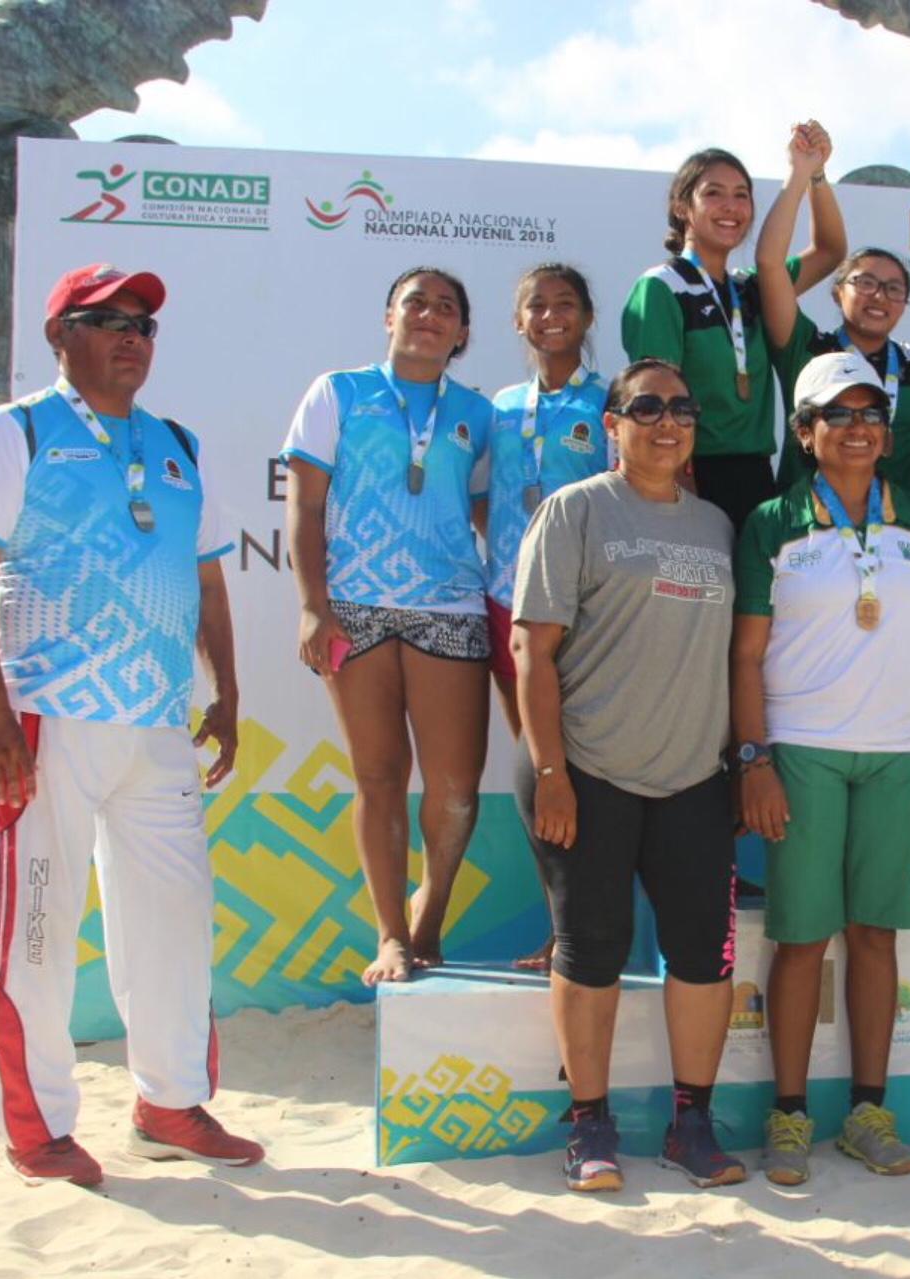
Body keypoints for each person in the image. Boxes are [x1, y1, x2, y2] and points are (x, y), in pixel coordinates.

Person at [0, 262, 261, 1187]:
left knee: (175, 921)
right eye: (108, 319)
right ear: (59, 335)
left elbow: (205, 579)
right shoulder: (15, 431)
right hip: (47, 716)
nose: (132, 336)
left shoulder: (175, 442)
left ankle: (168, 1103)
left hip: (157, 724)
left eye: (145, 325)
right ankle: (35, 1125)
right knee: (37, 932)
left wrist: (226, 693)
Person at [732, 352, 910, 1185]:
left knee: (874, 936)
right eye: (839, 414)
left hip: (901, 757)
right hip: (801, 753)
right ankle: (790, 1116)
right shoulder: (772, 521)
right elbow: (746, 654)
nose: (861, 427)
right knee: (800, 940)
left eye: (873, 413)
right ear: (805, 433)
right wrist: (754, 760)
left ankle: (869, 1111)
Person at [512, 358, 744, 1193]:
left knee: (703, 960)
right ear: (611, 424)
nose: (667, 420)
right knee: (592, 949)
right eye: (645, 406)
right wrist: (551, 772)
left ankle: (692, 1124)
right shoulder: (574, 512)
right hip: (589, 772)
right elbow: (530, 649)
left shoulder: (718, 525)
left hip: (692, 780)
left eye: (682, 407)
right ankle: (590, 1126)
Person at [281, 266, 494, 985]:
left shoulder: (479, 413)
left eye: (446, 308)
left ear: (463, 332)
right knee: (377, 777)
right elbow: (305, 509)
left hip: (451, 606)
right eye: (415, 302)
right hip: (355, 607)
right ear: (388, 316)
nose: (429, 315)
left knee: (456, 791)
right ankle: (392, 937)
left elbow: (492, 515)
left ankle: (428, 919)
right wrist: (315, 603)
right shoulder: (336, 393)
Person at [487, 264, 611, 975]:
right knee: (543, 773)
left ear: (588, 317)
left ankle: (591, 932)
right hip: (509, 604)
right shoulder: (499, 407)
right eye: (537, 304)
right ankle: (559, 931)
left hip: (586, 614)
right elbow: (485, 501)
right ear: (518, 320)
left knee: (591, 777)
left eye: (566, 304)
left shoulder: (609, 403)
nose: (551, 315)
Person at [621, 136, 845, 531]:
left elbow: (829, 250)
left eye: (742, 195)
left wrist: (813, 174)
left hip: (757, 479)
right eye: (714, 194)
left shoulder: (750, 288)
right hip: (690, 475)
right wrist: (678, 494)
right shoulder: (662, 287)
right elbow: (655, 405)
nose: (731, 206)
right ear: (681, 207)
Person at [757, 129, 910, 498]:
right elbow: (770, 264)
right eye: (866, 283)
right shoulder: (807, 348)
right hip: (807, 530)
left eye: (894, 288)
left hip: (900, 535)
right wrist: (809, 175)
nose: (879, 296)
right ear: (836, 291)